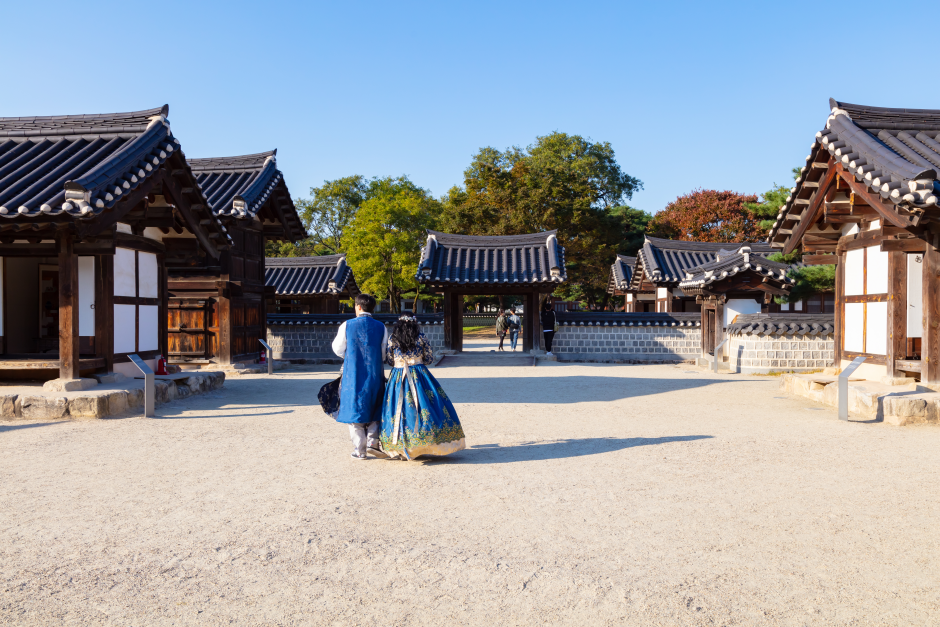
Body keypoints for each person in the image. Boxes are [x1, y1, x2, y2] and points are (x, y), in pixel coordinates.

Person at [380, 316, 466, 460]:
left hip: (398, 375)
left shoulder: (393, 338)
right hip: (419, 373)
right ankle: (427, 443)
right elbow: (429, 359)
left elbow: (389, 360)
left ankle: (400, 447)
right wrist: (417, 360)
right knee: (427, 405)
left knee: (397, 408)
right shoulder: (421, 336)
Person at [331, 294, 389, 460]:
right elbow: (384, 351)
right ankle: (372, 442)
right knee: (375, 404)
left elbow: (337, 348)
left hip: (353, 373)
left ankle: (360, 449)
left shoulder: (347, 325)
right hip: (375, 372)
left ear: (358, 307)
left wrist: (349, 355)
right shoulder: (381, 327)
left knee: (354, 407)